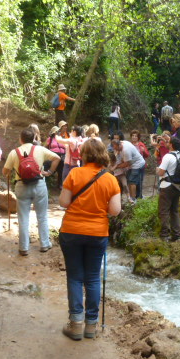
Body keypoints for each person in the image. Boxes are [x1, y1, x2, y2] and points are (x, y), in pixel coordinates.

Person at [59, 139, 121, 340]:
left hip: (71, 231)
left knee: (75, 277)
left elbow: (63, 202)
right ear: (103, 154)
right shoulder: (110, 179)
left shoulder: (74, 173)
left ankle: (76, 324)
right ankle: (91, 326)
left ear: (84, 154)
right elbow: (115, 210)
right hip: (97, 233)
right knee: (93, 277)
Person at [3, 127, 60, 255]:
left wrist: (11, 171)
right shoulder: (39, 149)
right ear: (34, 138)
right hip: (39, 184)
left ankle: (24, 247)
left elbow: (5, 171)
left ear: (21, 139)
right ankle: (44, 244)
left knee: (23, 217)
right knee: (42, 216)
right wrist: (49, 172)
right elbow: (57, 158)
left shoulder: (14, 152)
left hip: (21, 186)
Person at [156, 137, 180, 241]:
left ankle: (164, 235)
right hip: (178, 187)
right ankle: (176, 235)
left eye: (168, 142)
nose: (166, 143)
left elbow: (161, 172)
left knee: (163, 211)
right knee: (174, 211)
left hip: (167, 186)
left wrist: (157, 170)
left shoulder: (168, 156)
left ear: (171, 145)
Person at [111, 139, 145, 204]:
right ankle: (133, 197)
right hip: (132, 165)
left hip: (137, 164)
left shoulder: (126, 150)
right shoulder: (123, 142)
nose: (116, 150)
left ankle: (133, 199)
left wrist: (116, 166)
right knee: (129, 180)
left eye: (116, 148)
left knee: (132, 182)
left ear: (119, 145)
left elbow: (127, 163)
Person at [130, 130, 150, 199]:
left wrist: (144, 151)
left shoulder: (141, 144)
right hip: (131, 166)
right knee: (132, 182)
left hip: (141, 166)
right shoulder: (129, 145)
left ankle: (139, 196)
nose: (134, 137)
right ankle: (133, 196)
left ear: (138, 137)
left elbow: (147, 154)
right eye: (133, 136)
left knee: (139, 181)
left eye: (135, 136)